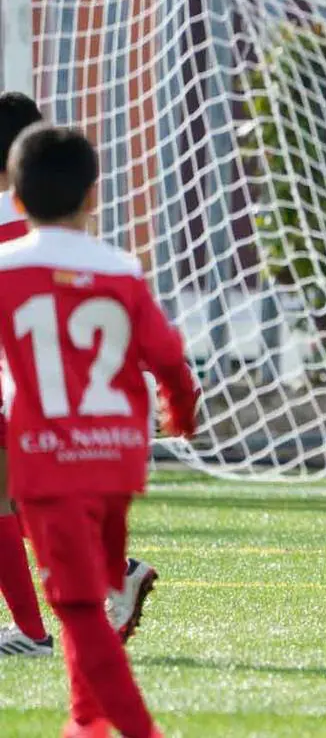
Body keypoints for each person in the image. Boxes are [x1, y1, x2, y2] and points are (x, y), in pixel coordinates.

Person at [0, 124, 199, 735]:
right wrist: (181, 415)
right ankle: (85, 723)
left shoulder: (5, 267)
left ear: (17, 199)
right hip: (117, 456)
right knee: (95, 591)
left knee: (80, 609)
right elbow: (169, 357)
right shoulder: (120, 267)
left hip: (46, 456)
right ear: (94, 196)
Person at [0, 94, 157, 659]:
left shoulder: (11, 230)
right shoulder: (57, 224)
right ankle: (106, 575)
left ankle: (36, 629)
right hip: (66, 393)